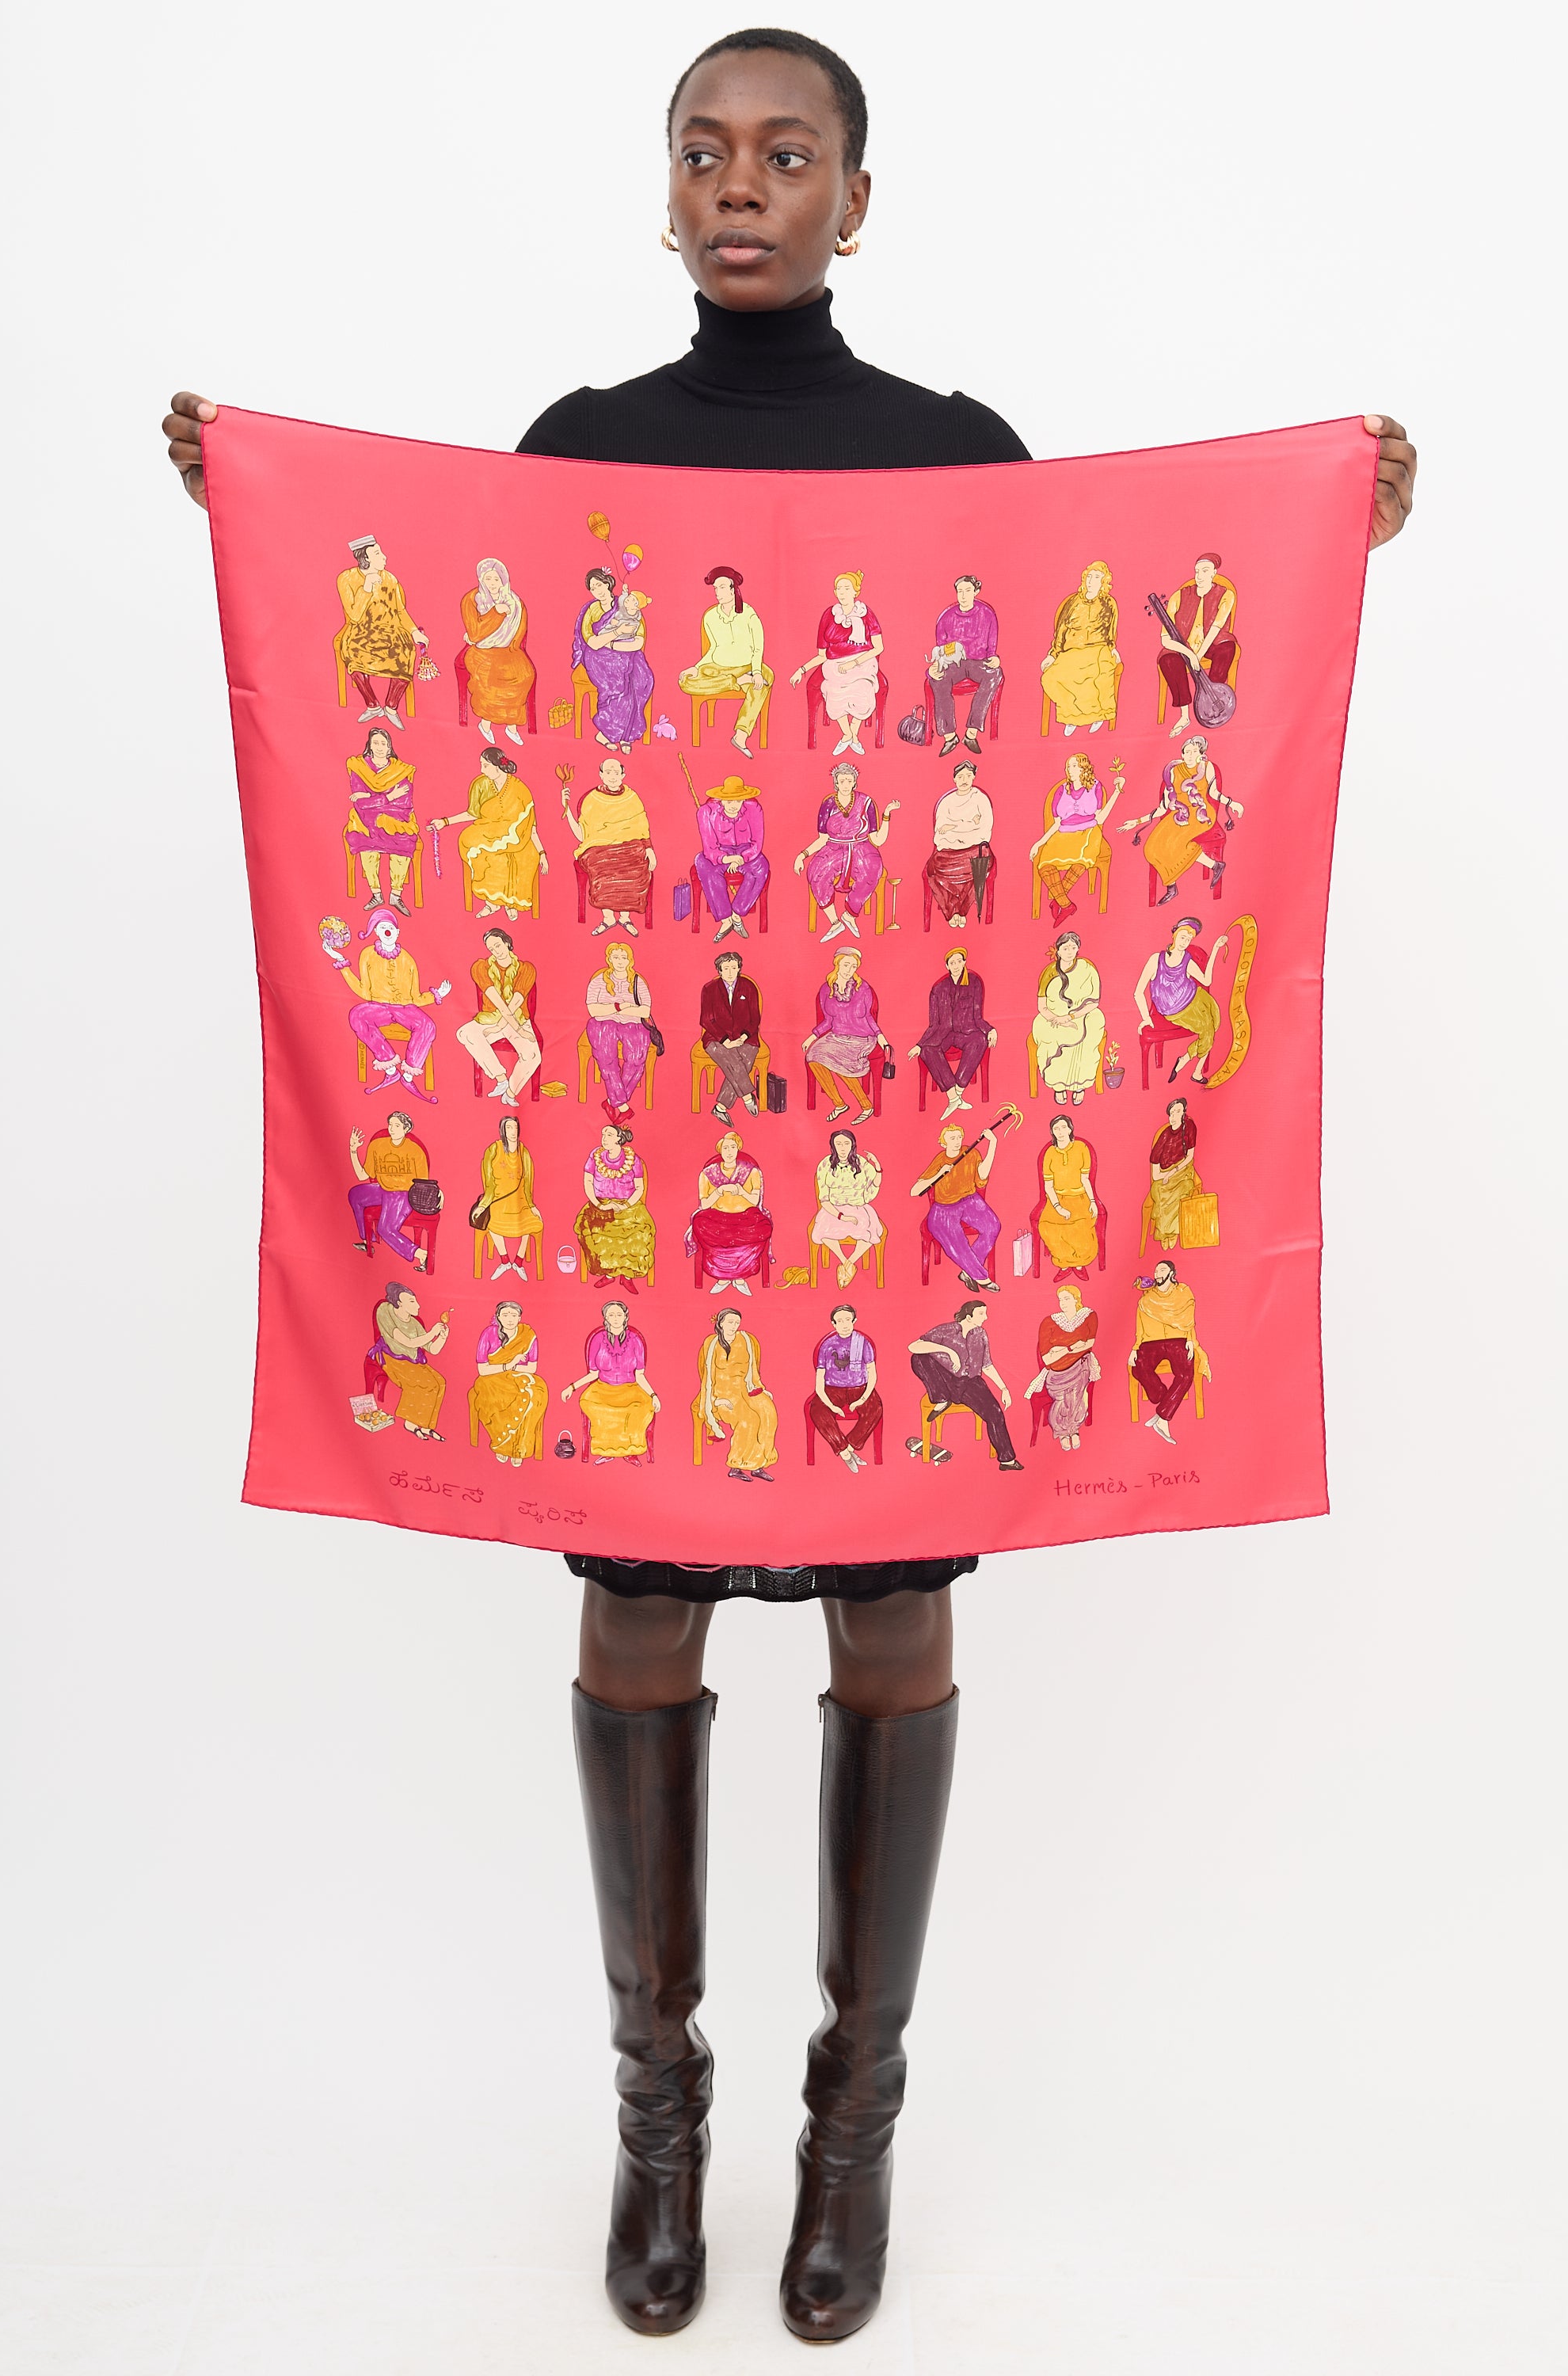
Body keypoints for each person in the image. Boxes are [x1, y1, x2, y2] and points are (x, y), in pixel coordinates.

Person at [163, 24, 1415, 2351]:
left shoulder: (956, 458)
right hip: (636, 1128)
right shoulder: (578, 451)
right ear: (664, 193)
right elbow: (469, 711)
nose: (740, 184)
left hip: (906, 1122)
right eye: (703, 150)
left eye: (786, 152)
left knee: (893, 1614)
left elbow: (1077, 733)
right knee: (634, 1615)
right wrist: (254, 498)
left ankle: (856, 2115)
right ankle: (658, 2106)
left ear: (855, 196)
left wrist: (1328, 521)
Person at [327, 907, 449, 1102]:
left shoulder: (407, 959)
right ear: (376, 931)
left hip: (405, 1008)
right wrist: (342, 962)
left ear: (398, 932)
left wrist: (436, 995)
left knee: (428, 1025)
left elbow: (415, 997)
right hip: (378, 1007)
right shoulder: (367, 955)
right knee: (357, 1014)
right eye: (382, 927)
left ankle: (408, 1076)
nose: (387, 931)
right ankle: (390, 1068)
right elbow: (364, 991)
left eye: (391, 928)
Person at [1119, 735, 1241, 901]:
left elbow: (1214, 793)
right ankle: (1210, 868)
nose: (1190, 755)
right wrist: (1137, 821)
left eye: (1194, 751)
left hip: (1201, 815)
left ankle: (1171, 886)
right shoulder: (1173, 771)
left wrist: (1232, 803)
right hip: (1180, 815)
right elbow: (1163, 807)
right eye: (1187, 752)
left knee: (1176, 843)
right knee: (1151, 848)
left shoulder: (1207, 767)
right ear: (1182, 754)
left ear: (1201, 754)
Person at [430, 748, 547, 920]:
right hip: (486, 833)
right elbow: (472, 814)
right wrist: (445, 822)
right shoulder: (480, 784)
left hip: (518, 838)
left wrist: (542, 853)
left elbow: (531, 827)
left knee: (524, 857)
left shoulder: (520, 789)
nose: (482, 770)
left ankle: (510, 902)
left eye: (485, 766)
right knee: (482, 851)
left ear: (497, 766)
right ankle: (492, 903)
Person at [906, 1298, 1022, 1469]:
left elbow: (987, 1365)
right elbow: (914, 1346)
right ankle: (941, 1399)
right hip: (946, 1381)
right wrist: (949, 1351)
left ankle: (1007, 1460)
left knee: (996, 1413)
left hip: (971, 1383)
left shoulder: (981, 1334)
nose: (986, 1317)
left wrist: (1004, 1388)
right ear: (968, 1316)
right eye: (981, 1313)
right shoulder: (946, 1330)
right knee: (919, 1358)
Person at [794, 760, 897, 939]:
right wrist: (802, 855)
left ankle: (850, 915)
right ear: (836, 783)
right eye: (842, 781)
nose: (845, 785)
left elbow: (877, 840)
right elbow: (822, 839)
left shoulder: (866, 802)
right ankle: (835, 922)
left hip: (862, 848)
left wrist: (887, 814)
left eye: (849, 781)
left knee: (872, 870)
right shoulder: (828, 804)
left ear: (855, 782)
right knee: (817, 872)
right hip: (833, 848)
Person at [333, 535, 428, 728]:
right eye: (377, 553)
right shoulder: (346, 578)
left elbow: (400, 611)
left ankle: (391, 707)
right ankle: (373, 705)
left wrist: (413, 631)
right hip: (360, 632)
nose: (384, 557)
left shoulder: (390, 579)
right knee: (351, 651)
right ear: (366, 558)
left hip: (391, 631)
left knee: (406, 651)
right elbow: (354, 616)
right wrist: (366, 588)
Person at [790, 568, 884, 754]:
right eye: (839, 589)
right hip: (835, 665)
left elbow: (878, 647)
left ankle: (853, 733)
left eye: (847, 588)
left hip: (862, 662)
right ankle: (848, 735)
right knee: (832, 690)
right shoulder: (829, 615)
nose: (842, 592)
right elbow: (822, 654)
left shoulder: (866, 613)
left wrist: (853, 663)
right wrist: (801, 669)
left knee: (863, 689)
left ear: (856, 592)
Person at [678, 566, 769, 750]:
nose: (717, 593)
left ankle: (741, 735)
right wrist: (697, 667)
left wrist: (757, 672)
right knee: (685, 681)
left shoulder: (749, 614)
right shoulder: (710, 617)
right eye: (715, 588)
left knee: (765, 680)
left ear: (733, 588)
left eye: (721, 587)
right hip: (718, 668)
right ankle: (735, 682)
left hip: (747, 667)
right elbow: (713, 648)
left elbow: (758, 648)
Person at [565, 752, 654, 933]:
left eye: (616, 773)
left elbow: (642, 826)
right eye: (608, 772)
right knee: (603, 868)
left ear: (623, 775)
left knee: (637, 866)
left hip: (630, 847)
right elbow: (582, 835)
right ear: (601, 775)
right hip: (599, 849)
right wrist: (566, 808)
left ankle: (625, 918)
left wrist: (650, 850)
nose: (612, 777)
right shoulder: (592, 799)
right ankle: (608, 918)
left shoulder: (632, 797)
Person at [1134, 916, 1230, 1085]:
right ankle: (1193, 1069)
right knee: (1208, 1029)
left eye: (1189, 939)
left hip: (1196, 998)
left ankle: (1187, 1061)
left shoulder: (1187, 960)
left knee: (1214, 1023)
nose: (1185, 942)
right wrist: (1146, 1018)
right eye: (1182, 937)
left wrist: (1215, 949)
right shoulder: (1156, 959)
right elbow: (1138, 993)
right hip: (1175, 1012)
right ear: (1174, 935)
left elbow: (1206, 981)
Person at [1030, 753, 1122, 924]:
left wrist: (1117, 792)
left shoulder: (1096, 787)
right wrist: (1039, 843)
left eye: (1074, 766)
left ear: (1083, 768)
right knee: (1045, 866)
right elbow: (1056, 823)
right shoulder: (1061, 790)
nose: (1069, 770)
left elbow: (1100, 819)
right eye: (1068, 766)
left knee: (1081, 862)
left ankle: (1058, 901)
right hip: (1063, 834)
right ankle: (1065, 904)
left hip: (1088, 832)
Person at [913, 1118, 1004, 1291]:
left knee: (993, 1226)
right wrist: (940, 1173)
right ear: (943, 1142)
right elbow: (915, 1190)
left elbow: (982, 1176)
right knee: (957, 1241)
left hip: (970, 1200)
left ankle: (967, 1272)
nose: (957, 1141)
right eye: (952, 1138)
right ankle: (981, 1277)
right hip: (944, 1208)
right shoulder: (940, 1160)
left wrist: (993, 1143)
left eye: (959, 1137)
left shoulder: (971, 1153)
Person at [562, 1300, 660, 1462]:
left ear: (625, 1317)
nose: (615, 1318)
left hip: (630, 1388)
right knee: (590, 1402)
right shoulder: (597, 1339)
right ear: (605, 1318)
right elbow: (593, 1374)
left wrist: (653, 1395)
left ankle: (630, 1452)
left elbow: (640, 1375)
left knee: (643, 1407)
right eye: (611, 1315)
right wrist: (572, 1387)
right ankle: (606, 1451)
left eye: (619, 1314)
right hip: (603, 1388)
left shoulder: (635, 1340)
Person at [802, 945, 887, 1122]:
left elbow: (869, 1016)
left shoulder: (863, 988)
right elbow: (828, 1021)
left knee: (842, 1062)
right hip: (837, 1037)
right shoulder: (826, 989)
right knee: (813, 1056)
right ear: (838, 964)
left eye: (854, 966)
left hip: (862, 1038)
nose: (850, 970)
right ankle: (839, 1104)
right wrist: (813, 1036)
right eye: (846, 965)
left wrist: (880, 1036)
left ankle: (866, 1106)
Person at [1156, 551, 1237, 738]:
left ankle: (1212, 701)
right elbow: (1165, 639)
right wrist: (1190, 654)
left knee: (1227, 648)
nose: (1199, 576)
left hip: (1211, 643)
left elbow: (1216, 628)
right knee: (1168, 660)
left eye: (1205, 571)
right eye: (1197, 571)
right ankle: (1184, 715)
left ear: (1214, 572)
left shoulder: (1226, 595)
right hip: (1185, 646)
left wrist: (1198, 656)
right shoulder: (1179, 596)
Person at [456, 927, 539, 1107]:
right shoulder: (481, 967)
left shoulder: (527, 969)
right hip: (490, 1018)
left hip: (518, 1019)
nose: (495, 951)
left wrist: (512, 1028)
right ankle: (501, 1079)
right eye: (491, 948)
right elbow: (499, 1003)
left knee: (533, 1055)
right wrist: (500, 1026)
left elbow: (515, 1003)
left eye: (498, 945)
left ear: (507, 943)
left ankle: (510, 1093)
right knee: (464, 1033)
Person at [1130, 1258, 1210, 1442]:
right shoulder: (1147, 1298)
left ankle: (1163, 1419)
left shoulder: (1183, 1292)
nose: (1158, 1274)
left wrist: (1190, 1340)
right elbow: (1140, 1324)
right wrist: (1135, 1348)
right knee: (1137, 1367)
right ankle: (1161, 1396)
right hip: (1152, 1341)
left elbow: (1189, 1318)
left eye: (1162, 1270)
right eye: (1156, 1270)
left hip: (1178, 1339)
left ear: (1172, 1274)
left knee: (1186, 1374)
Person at [910, 946, 994, 1119]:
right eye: (952, 963)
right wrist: (919, 1044)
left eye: (959, 961)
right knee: (927, 1050)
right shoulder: (938, 988)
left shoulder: (974, 982)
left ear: (964, 962)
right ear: (947, 966)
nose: (956, 965)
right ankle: (953, 1097)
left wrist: (990, 1030)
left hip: (967, 1032)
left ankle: (958, 1091)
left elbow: (978, 1016)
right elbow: (934, 1024)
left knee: (980, 1040)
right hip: (944, 1033)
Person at [458, 558, 534, 745]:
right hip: (481, 651)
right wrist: (496, 613)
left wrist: (509, 646)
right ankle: (485, 724)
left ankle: (512, 727)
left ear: (504, 580)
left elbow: (519, 632)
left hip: (509, 650)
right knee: (492, 678)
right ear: (481, 579)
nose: (492, 583)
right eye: (488, 579)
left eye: (496, 579)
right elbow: (475, 634)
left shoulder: (515, 602)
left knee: (525, 674)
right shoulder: (472, 600)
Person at [576, 572, 655, 751]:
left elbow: (639, 641)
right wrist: (617, 634)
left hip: (627, 653)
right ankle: (606, 734)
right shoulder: (591, 610)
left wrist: (614, 644)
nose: (598, 590)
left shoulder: (626, 604)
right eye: (593, 588)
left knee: (642, 680)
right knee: (618, 683)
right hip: (599, 658)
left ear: (608, 584)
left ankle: (626, 736)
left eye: (600, 585)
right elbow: (593, 643)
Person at [344, 727, 420, 913]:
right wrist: (388, 796)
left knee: (403, 839)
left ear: (389, 747)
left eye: (383, 744)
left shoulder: (401, 770)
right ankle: (376, 894)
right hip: (365, 818)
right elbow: (360, 804)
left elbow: (404, 800)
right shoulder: (359, 767)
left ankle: (396, 895)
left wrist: (370, 796)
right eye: (375, 743)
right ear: (369, 745)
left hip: (396, 816)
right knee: (366, 842)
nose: (379, 747)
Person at [1041, 559, 1121, 734]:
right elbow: (1061, 631)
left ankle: (1097, 715)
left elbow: (1111, 632)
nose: (1091, 580)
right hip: (1071, 652)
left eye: (1097, 577)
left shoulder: (1109, 603)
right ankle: (1071, 714)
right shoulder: (1073, 603)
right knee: (1049, 678)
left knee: (1097, 674)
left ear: (1104, 581)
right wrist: (1052, 654)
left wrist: (1113, 648)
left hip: (1098, 650)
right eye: (1089, 576)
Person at [698, 1308, 778, 1481]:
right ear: (721, 1324)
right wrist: (716, 1401)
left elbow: (753, 1370)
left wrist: (760, 1388)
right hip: (723, 1394)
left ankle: (758, 1464)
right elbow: (708, 1379)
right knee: (749, 1420)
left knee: (768, 1413)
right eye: (730, 1322)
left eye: (737, 1322)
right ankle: (736, 1465)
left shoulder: (746, 1339)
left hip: (746, 1388)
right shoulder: (713, 1344)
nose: (734, 1326)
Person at [690, 1125, 771, 1296]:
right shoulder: (707, 1174)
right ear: (720, 1150)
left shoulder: (751, 1172)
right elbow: (704, 1205)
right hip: (717, 1219)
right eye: (725, 1148)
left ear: (738, 1148)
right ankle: (723, 1277)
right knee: (699, 1222)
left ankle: (740, 1277)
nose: (729, 1152)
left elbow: (755, 1201)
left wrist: (741, 1191)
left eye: (733, 1147)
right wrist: (718, 1192)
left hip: (746, 1219)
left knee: (765, 1226)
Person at [927, 573, 1002, 756]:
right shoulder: (946, 617)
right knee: (937, 678)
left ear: (976, 591)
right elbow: (941, 651)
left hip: (979, 662)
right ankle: (949, 736)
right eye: (960, 591)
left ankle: (972, 733)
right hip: (954, 664)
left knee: (996, 673)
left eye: (967, 590)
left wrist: (994, 658)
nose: (963, 595)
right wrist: (934, 669)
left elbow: (991, 647)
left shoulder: (987, 614)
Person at [575, 1123, 655, 1293]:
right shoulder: (595, 1156)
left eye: (609, 1135)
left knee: (637, 1235)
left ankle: (627, 1277)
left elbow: (639, 1188)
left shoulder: (633, 1159)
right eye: (603, 1134)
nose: (604, 1138)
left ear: (619, 1138)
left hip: (629, 1207)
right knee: (597, 1234)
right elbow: (588, 1182)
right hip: (600, 1206)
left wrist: (624, 1205)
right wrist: (599, 1204)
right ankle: (609, 1274)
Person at [347, 1110, 429, 1269]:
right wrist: (353, 1150)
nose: (392, 1128)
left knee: (385, 1229)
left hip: (403, 1194)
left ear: (406, 1129)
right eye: (390, 1124)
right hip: (382, 1189)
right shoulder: (378, 1145)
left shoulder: (415, 1151)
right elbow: (361, 1175)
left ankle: (421, 1254)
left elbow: (422, 1184)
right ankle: (367, 1240)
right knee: (355, 1194)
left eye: (397, 1126)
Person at [1031, 929, 1106, 1104]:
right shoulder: (1049, 972)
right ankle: (1058, 1086)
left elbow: (1094, 1002)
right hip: (1053, 1018)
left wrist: (1070, 1018)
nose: (1069, 951)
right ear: (1058, 951)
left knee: (1091, 1032)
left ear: (1078, 949)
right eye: (1065, 948)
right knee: (1049, 1036)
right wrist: (1058, 1019)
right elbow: (1042, 1006)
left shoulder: (1087, 969)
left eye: (1073, 947)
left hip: (1083, 1015)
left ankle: (1080, 1085)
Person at [469, 1300, 547, 1464]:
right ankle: (502, 1445)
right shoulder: (489, 1334)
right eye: (505, 1315)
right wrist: (509, 1364)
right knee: (497, 1400)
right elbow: (482, 1370)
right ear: (498, 1317)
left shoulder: (528, 1335)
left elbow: (532, 1368)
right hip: (490, 1379)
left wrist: (514, 1367)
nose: (510, 1319)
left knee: (535, 1396)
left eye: (513, 1315)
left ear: (519, 1318)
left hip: (517, 1376)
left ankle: (520, 1448)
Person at [692, 774, 768, 940]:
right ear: (721, 800)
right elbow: (709, 848)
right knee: (701, 863)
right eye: (729, 801)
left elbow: (757, 843)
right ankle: (726, 920)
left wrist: (742, 858)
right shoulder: (706, 812)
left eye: (738, 801)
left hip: (746, 853)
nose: (734, 806)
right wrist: (726, 859)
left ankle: (737, 914)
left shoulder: (754, 809)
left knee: (761, 866)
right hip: (720, 854)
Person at [1024, 1282, 1099, 1450]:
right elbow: (1047, 1359)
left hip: (1081, 1364)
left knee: (1076, 1388)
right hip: (1056, 1372)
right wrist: (1071, 1348)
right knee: (1066, 1395)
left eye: (1067, 1299)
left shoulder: (1089, 1315)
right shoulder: (1049, 1322)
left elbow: (1089, 1344)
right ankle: (1069, 1430)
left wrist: (1059, 1350)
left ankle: (1066, 1431)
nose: (1063, 1303)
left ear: (1076, 1299)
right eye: (1060, 1299)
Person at [584, 941, 654, 1123]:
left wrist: (614, 1009)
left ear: (630, 960)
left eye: (624, 957)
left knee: (637, 1060)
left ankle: (612, 1102)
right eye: (616, 957)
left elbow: (645, 1011)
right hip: (603, 1024)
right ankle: (622, 1106)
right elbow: (593, 1010)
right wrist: (620, 1006)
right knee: (607, 1059)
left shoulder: (637, 981)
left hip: (633, 1024)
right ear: (609, 959)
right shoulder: (599, 981)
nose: (620, 961)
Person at [371, 1279, 449, 1439]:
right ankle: (411, 1423)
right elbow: (407, 1341)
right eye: (412, 1301)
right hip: (392, 1358)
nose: (418, 1305)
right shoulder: (385, 1311)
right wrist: (432, 1333)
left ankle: (426, 1426)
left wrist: (442, 1337)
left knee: (440, 1382)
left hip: (412, 1360)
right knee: (424, 1383)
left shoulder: (414, 1324)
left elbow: (433, 1349)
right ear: (399, 1303)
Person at [808, 1304, 882, 1472]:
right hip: (832, 1389)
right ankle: (846, 1453)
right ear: (833, 1324)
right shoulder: (827, 1345)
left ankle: (849, 1446)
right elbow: (819, 1380)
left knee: (876, 1408)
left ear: (854, 1321)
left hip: (860, 1387)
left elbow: (872, 1374)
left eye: (848, 1320)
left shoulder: (862, 1343)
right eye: (840, 1321)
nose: (844, 1324)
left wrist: (862, 1399)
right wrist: (831, 1405)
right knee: (817, 1410)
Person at [924, 759, 995, 927]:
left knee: (979, 866)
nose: (964, 780)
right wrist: (971, 824)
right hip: (948, 852)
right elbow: (939, 835)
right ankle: (953, 911)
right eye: (961, 777)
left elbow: (984, 833)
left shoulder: (980, 799)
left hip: (975, 850)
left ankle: (960, 911)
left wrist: (954, 827)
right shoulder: (947, 802)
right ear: (954, 779)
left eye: (968, 776)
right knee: (933, 870)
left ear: (974, 777)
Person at [811, 1128, 884, 1287]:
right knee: (823, 1230)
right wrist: (842, 1217)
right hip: (833, 1209)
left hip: (858, 1208)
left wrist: (877, 1166)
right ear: (833, 1146)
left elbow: (875, 1186)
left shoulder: (862, 1163)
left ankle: (848, 1264)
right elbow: (824, 1199)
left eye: (846, 1143)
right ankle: (847, 1264)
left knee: (870, 1231)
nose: (843, 1148)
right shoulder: (825, 1165)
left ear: (852, 1145)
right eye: (838, 1144)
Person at [473, 1114, 540, 1281]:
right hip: (498, 1198)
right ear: (503, 1130)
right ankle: (505, 1261)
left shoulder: (524, 1152)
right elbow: (488, 1181)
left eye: (515, 1128)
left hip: (520, 1200)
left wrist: (532, 1205)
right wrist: (484, 1204)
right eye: (509, 1128)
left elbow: (528, 1181)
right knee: (493, 1222)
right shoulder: (494, 1150)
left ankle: (519, 1262)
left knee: (531, 1222)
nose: (513, 1131)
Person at [698, 949, 763, 1121]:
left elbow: (755, 1017)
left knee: (744, 1059)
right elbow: (706, 1020)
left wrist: (743, 1037)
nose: (730, 972)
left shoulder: (748, 987)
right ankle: (748, 1097)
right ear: (719, 971)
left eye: (734, 968)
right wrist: (725, 1041)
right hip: (716, 1038)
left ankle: (721, 1107)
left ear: (739, 969)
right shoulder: (709, 989)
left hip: (746, 1038)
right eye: (726, 968)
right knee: (735, 1061)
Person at [1033, 1114, 1098, 1279]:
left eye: (1064, 1127)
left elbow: (1085, 1179)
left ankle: (1079, 1264)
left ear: (1070, 1129)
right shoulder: (1050, 1153)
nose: (1060, 1132)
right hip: (1057, 1199)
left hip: (1080, 1198)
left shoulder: (1081, 1148)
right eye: (1056, 1129)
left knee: (1080, 1229)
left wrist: (1092, 1201)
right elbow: (1048, 1186)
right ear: (1052, 1132)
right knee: (1047, 1227)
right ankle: (1063, 1264)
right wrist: (1058, 1208)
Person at [1147, 1095, 1202, 1249]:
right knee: (1161, 1194)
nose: (1174, 1116)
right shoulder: (1164, 1136)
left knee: (1183, 1190)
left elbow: (1190, 1157)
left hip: (1182, 1171)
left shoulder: (1189, 1127)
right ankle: (1164, 1233)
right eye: (1171, 1113)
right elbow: (1155, 1174)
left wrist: (1172, 1173)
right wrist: (1166, 1175)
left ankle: (1173, 1233)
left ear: (1184, 1113)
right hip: (1163, 1176)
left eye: (1178, 1111)